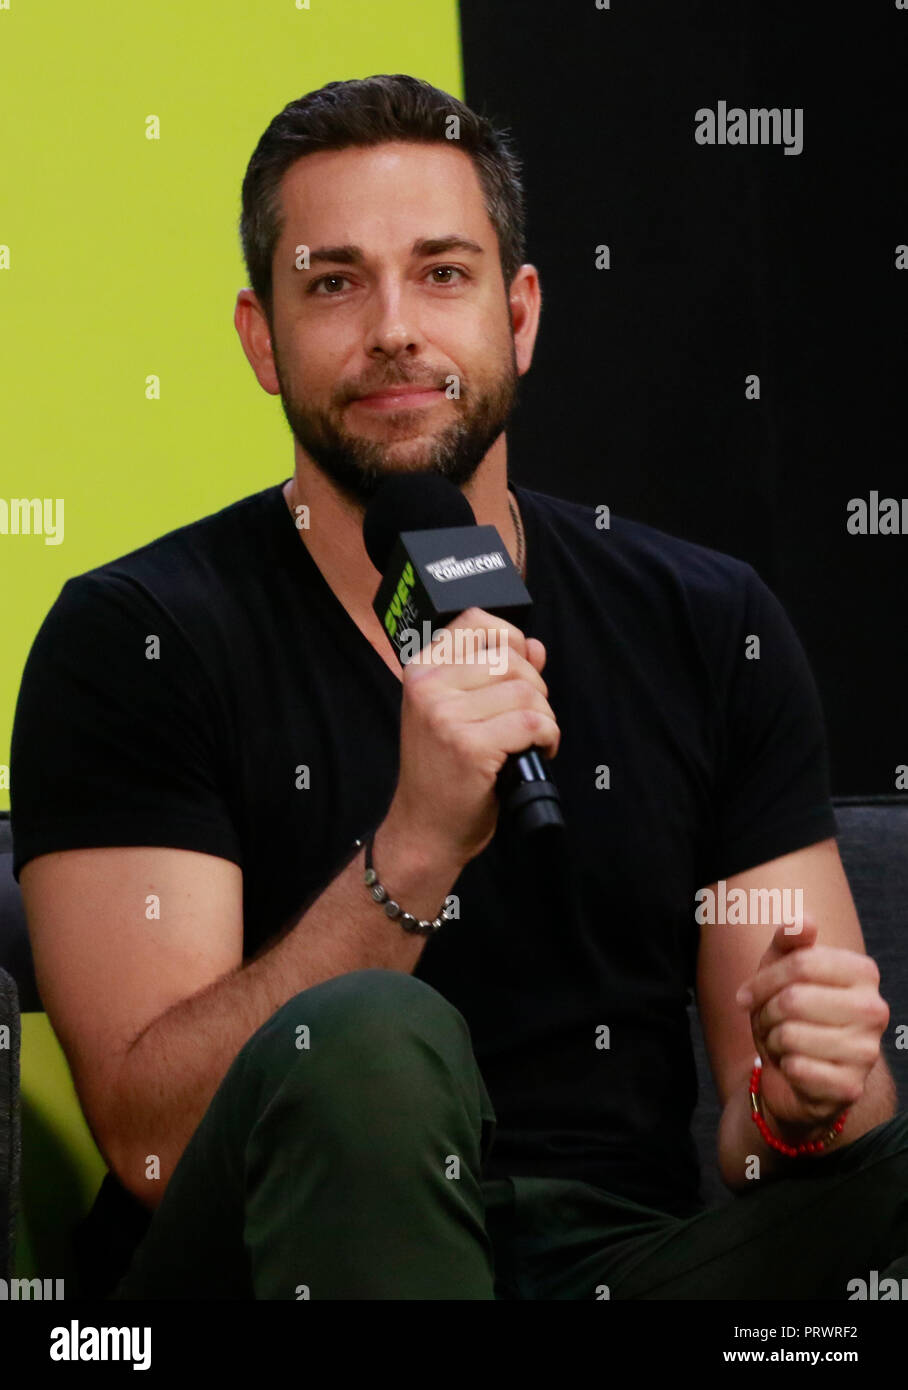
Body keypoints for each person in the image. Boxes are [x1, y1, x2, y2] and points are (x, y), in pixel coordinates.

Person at [10, 74, 907, 1301]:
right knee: (370, 1037)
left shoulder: (706, 621)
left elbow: (764, 1148)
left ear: (519, 314)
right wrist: (416, 847)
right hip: (270, 1270)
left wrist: (798, 1098)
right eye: (333, 282)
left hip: (617, 1264)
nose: (393, 327)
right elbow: (154, 1141)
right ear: (260, 338)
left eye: (441, 273)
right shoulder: (138, 636)